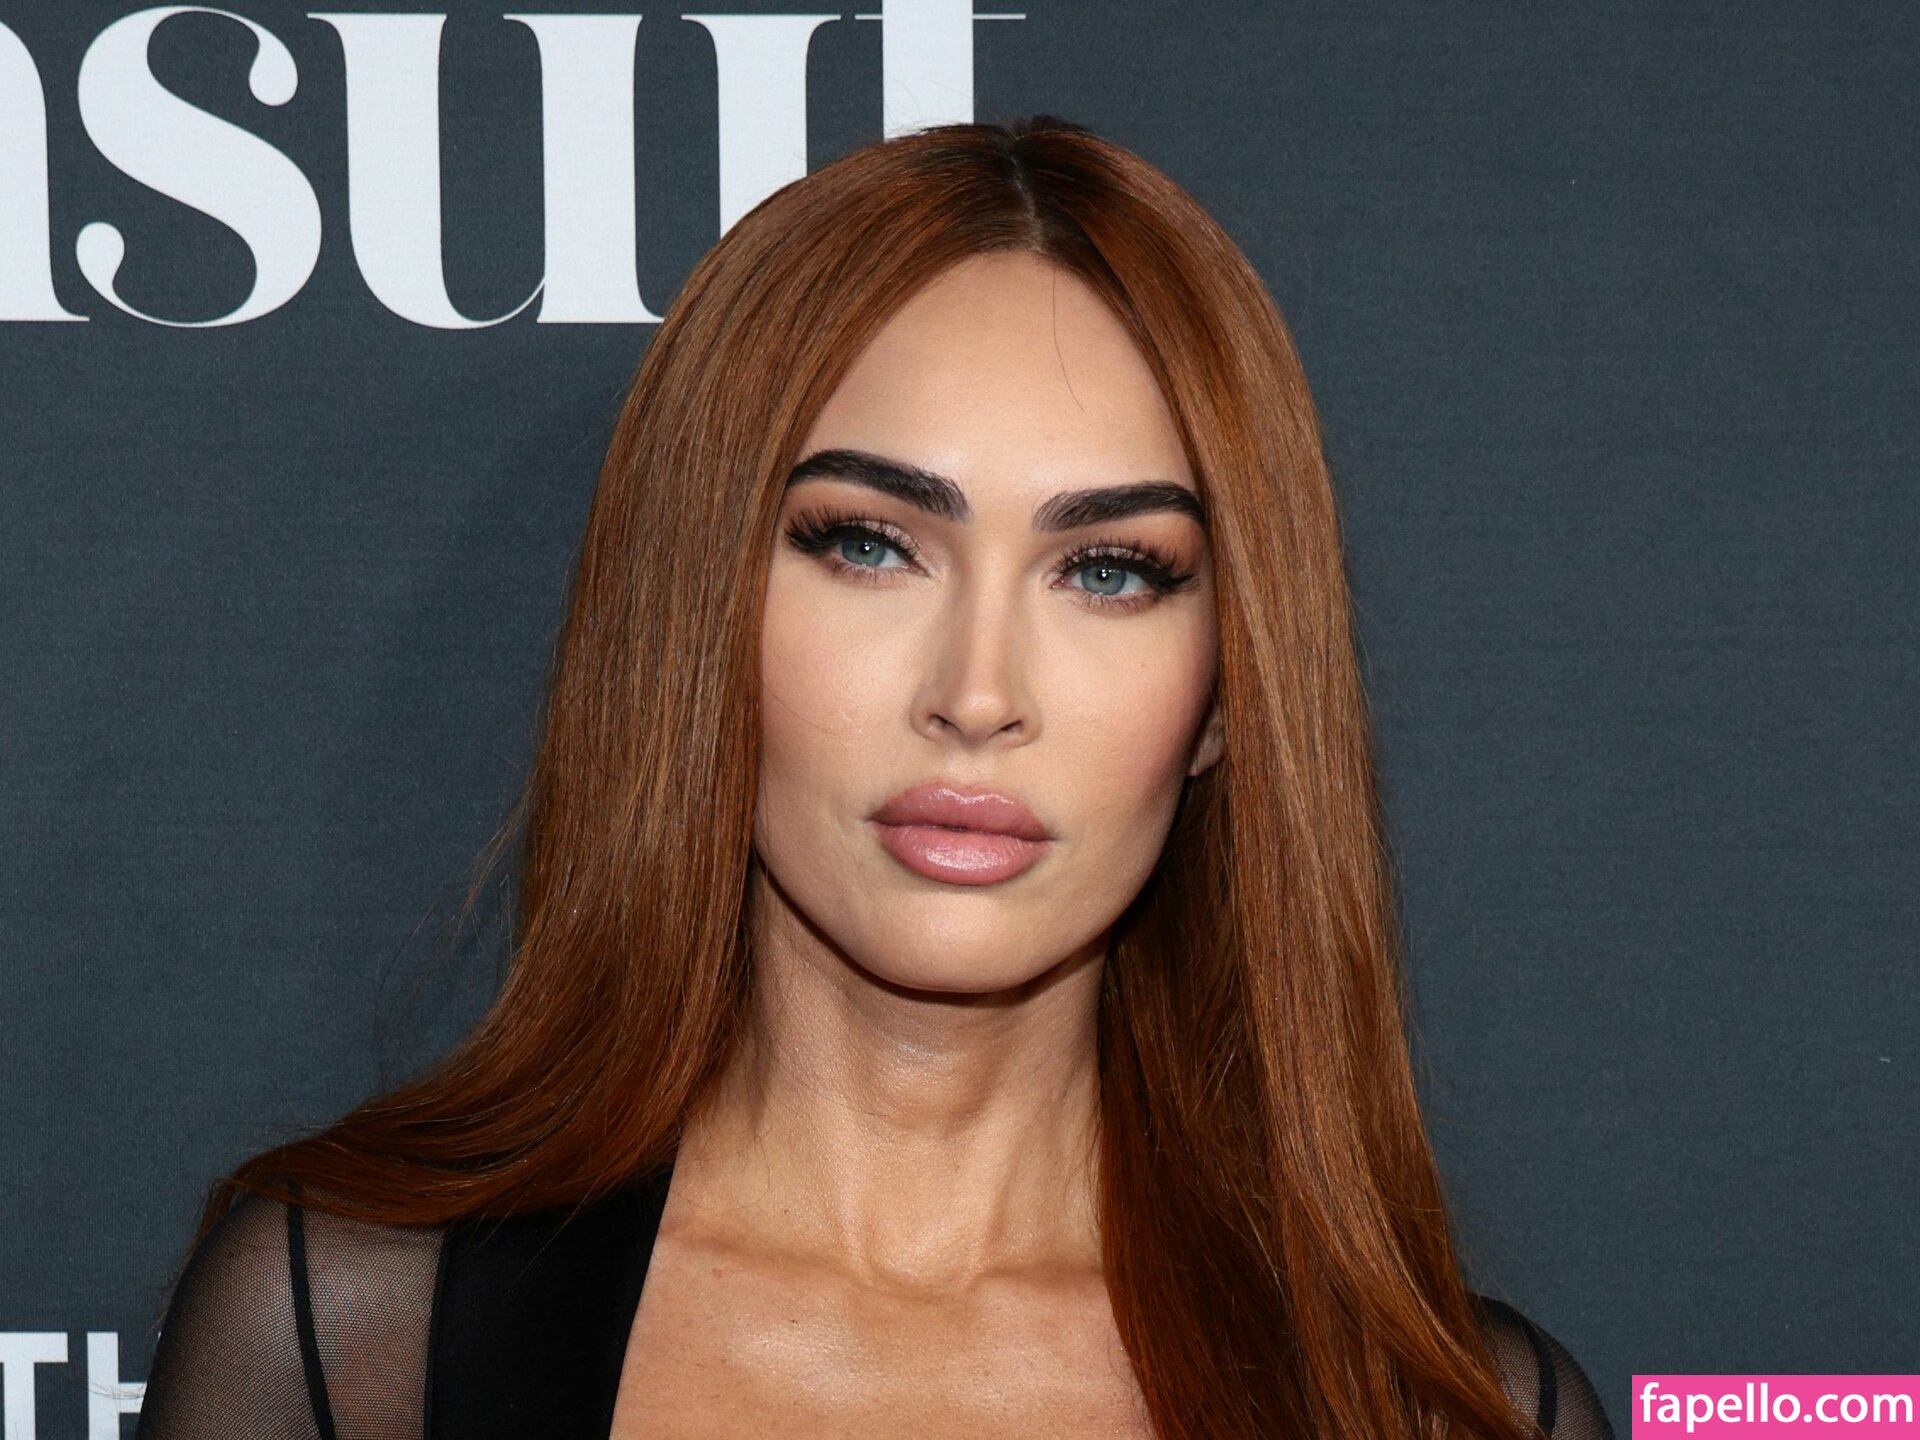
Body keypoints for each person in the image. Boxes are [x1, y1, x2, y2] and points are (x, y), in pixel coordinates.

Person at [131, 116, 1614, 1440]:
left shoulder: (1452, 1412)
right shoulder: (356, 1331)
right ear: (702, 611)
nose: (977, 693)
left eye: (1109, 570)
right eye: (869, 544)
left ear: (1230, 686)